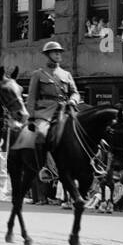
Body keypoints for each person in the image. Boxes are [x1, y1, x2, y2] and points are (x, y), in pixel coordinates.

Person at [27, 41, 80, 178]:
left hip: (66, 110)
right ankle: (44, 168)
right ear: (47, 54)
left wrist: (73, 100)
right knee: (41, 135)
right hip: (46, 113)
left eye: (59, 52)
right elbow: (31, 98)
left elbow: (75, 92)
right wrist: (31, 118)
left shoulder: (66, 74)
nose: (58, 54)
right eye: (55, 52)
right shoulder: (38, 74)